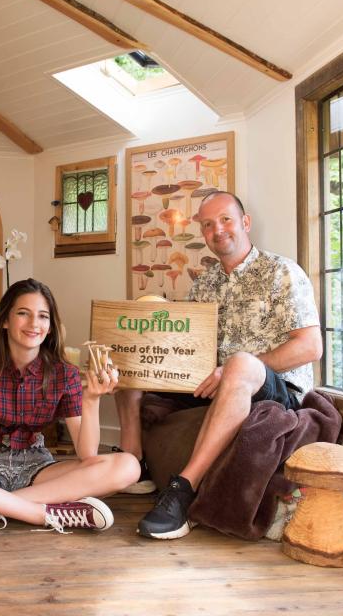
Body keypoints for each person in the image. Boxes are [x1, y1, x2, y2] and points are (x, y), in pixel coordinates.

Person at [116, 191, 322, 539]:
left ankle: (183, 490)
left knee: (240, 363)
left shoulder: (282, 271)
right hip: (214, 381)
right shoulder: (204, 284)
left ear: (245, 222)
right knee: (129, 360)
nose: (217, 230)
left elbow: (310, 346)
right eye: (208, 224)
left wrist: (233, 369)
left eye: (225, 219)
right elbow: (191, 347)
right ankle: (135, 464)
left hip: (273, 387)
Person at [0, 278, 141, 535]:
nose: (34, 324)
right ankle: (39, 513)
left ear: (50, 327)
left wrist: (92, 399)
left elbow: (87, 454)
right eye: (23, 313)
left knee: (128, 466)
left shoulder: (65, 374)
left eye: (43, 316)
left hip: (38, 467)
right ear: (5, 321)